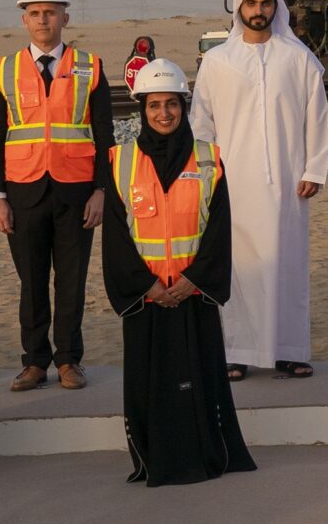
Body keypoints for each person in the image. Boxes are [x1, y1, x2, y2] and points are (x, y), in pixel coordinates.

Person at [106, 58, 257, 487]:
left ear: (183, 106)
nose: (164, 114)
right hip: (147, 300)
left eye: (172, 105)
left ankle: (206, 455)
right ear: (142, 109)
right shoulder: (120, 161)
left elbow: (219, 230)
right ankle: (156, 460)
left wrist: (195, 280)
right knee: (149, 385)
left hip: (193, 294)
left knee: (201, 382)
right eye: (154, 106)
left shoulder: (210, 159)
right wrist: (148, 286)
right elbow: (116, 238)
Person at [190, 0, 328, 380]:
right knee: (239, 268)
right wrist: (206, 176)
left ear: (275, 9)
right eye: (250, 4)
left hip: (288, 183)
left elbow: (317, 119)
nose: (258, 12)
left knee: (287, 265)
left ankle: (290, 350)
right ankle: (236, 351)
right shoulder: (218, 62)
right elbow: (201, 125)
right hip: (232, 184)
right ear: (239, 9)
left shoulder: (298, 57)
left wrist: (314, 170)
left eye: (265, 4)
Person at [0, 0, 115, 392]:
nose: (43, 20)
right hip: (23, 192)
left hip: (76, 193)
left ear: (65, 17)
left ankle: (69, 361)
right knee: (32, 282)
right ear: (24, 19)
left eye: (51, 13)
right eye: (35, 13)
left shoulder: (90, 68)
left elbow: (105, 136)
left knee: (72, 281)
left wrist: (101, 191)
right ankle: (34, 361)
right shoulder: (4, 70)